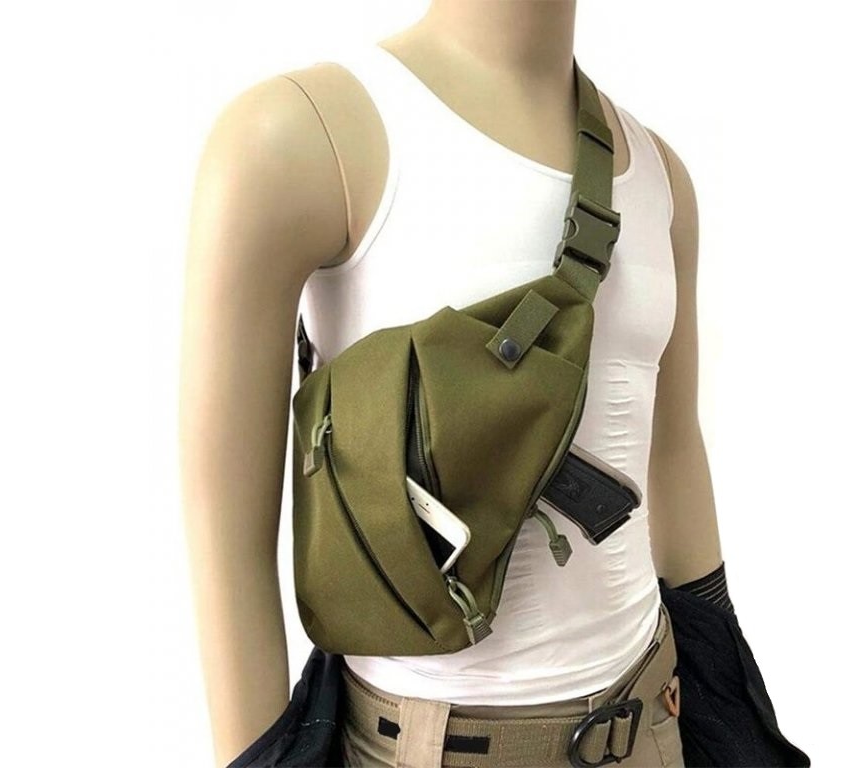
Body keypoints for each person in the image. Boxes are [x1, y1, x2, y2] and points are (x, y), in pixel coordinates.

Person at [180, 1, 730, 766]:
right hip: (427, 743)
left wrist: (726, 700)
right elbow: (224, 527)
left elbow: (672, 449)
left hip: (654, 720)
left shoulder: (661, 176)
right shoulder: (301, 133)